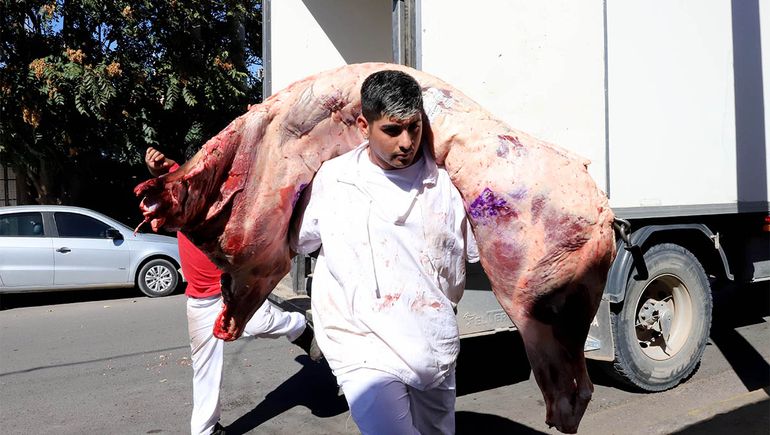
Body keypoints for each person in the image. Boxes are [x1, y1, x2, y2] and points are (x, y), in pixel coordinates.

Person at [290, 70, 478, 435]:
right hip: (360, 343)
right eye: (392, 131)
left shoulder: (445, 187)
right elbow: (301, 240)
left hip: (432, 340)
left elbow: (465, 259)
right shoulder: (335, 180)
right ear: (364, 126)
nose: (406, 142)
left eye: (414, 128)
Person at [144, 147, 319, 435]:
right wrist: (158, 167)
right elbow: (172, 176)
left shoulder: (228, 198)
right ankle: (205, 430)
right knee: (204, 367)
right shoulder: (184, 191)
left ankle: (300, 328)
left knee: (265, 322)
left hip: (230, 292)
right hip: (199, 301)